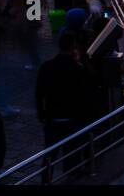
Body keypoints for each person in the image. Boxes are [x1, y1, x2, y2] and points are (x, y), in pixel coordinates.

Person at [35, 33, 89, 173]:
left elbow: (39, 93)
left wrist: (41, 113)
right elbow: (84, 95)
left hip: (52, 116)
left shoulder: (46, 67)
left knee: (49, 155)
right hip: (72, 117)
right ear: (73, 47)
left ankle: (46, 180)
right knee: (73, 153)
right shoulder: (78, 69)